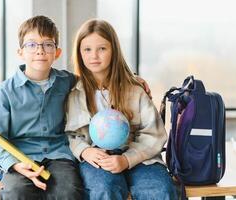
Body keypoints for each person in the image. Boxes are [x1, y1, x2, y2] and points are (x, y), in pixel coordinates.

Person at [65, 19, 178, 200]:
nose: (94, 55)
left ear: (113, 51)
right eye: (87, 49)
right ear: (79, 53)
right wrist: (85, 151)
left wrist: (126, 160)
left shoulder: (135, 90)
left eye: (102, 48)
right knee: (104, 189)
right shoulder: (73, 93)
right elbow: (70, 135)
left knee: (159, 190)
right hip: (96, 158)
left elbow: (153, 134)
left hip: (140, 157)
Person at [0, 15, 84, 200]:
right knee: (16, 192)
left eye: (47, 44)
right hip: (21, 157)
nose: (40, 51)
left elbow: (97, 80)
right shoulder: (4, 93)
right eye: (31, 44)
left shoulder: (67, 81)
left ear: (57, 52)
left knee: (69, 191)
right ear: (20, 52)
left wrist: (133, 78)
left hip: (59, 155)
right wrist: (14, 164)